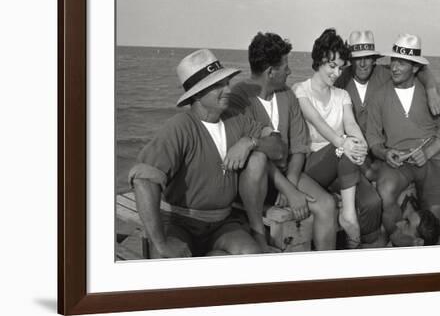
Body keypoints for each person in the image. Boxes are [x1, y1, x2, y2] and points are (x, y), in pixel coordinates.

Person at [128, 49, 285, 258]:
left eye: (227, 83)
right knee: (170, 265)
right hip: (178, 223)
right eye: (218, 86)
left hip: (223, 223)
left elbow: (278, 149)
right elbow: (143, 180)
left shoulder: (236, 119)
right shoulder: (179, 127)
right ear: (198, 94)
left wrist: (250, 142)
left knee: (251, 255)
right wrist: (161, 243)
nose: (228, 90)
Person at [227, 32, 338, 251]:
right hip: (255, 181)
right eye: (285, 66)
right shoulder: (239, 98)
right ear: (270, 71)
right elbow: (252, 156)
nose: (289, 71)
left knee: (326, 204)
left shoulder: (287, 95)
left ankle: (327, 274)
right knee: (257, 157)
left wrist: (293, 183)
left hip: (287, 174)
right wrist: (287, 189)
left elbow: (298, 147)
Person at [334, 29, 440, 245]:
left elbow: (419, 69)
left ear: (375, 60)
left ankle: (398, 240)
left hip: (382, 153)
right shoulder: (340, 81)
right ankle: (370, 242)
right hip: (355, 155)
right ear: (350, 61)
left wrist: (431, 89)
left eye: (368, 58)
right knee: (374, 196)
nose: (363, 64)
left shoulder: (388, 74)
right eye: (357, 59)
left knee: (394, 191)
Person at [366, 33, 440, 241]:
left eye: (402, 63)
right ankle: (399, 242)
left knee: (432, 218)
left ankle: (427, 251)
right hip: (399, 162)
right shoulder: (379, 95)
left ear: (415, 68)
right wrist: (385, 153)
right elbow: (373, 138)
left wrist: (428, 152)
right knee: (385, 189)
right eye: (393, 60)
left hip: (432, 158)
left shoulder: (430, 92)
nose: (395, 67)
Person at [293, 28, 369, 249]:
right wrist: (344, 143)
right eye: (332, 66)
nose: (336, 73)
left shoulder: (341, 95)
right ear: (319, 61)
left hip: (341, 159)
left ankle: (355, 238)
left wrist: (360, 144)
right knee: (343, 148)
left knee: (371, 200)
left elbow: (351, 124)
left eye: (340, 67)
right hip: (312, 165)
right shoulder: (300, 91)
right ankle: (349, 217)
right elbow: (317, 122)